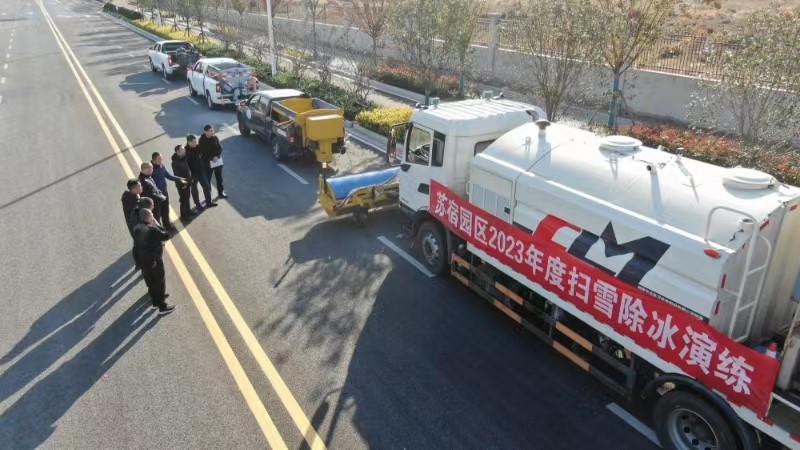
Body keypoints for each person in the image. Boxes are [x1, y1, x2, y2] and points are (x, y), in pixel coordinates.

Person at [133, 209, 175, 315]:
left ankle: (155, 301)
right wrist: (157, 224)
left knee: (150, 281)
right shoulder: (152, 229)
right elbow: (166, 235)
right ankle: (162, 306)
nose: (153, 216)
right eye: (152, 215)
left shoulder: (137, 228)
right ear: (149, 217)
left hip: (143, 260)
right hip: (154, 260)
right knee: (159, 281)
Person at [151, 152, 186, 231]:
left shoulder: (162, 166)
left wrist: (179, 179)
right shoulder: (151, 170)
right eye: (159, 159)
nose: (161, 160)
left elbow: (169, 176)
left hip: (164, 193)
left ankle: (167, 226)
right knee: (157, 214)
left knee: (165, 210)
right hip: (157, 196)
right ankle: (159, 230)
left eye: (161, 158)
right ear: (153, 160)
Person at [186, 134, 216, 209]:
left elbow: (205, 154)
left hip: (201, 171)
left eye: (196, 141)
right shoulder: (185, 151)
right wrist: (189, 175)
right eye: (194, 142)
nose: (196, 143)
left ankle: (209, 202)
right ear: (189, 142)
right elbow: (185, 165)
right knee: (194, 190)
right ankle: (197, 204)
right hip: (193, 174)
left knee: (206, 186)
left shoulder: (198, 147)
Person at [199, 124, 227, 199]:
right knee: (208, 179)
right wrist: (212, 158)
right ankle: (209, 195)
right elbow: (203, 152)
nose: (213, 132)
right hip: (207, 163)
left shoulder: (215, 137)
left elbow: (220, 148)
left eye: (213, 130)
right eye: (211, 131)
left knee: (219, 178)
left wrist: (217, 156)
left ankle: (221, 192)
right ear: (206, 132)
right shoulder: (202, 140)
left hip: (217, 162)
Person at [138, 162, 168, 226]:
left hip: (155, 203)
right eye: (151, 168)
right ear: (146, 169)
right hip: (151, 204)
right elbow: (151, 194)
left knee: (158, 217)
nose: (152, 170)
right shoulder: (144, 181)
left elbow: (155, 188)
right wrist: (161, 197)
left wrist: (160, 193)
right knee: (155, 219)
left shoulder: (148, 177)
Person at [122, 179, 142, 267]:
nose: (141, 187)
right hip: (135, 224)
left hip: (133, 223)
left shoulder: (129, 195)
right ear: (134, 188)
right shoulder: (133, 199)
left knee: (138, 243)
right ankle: (139, 264)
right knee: (138, 243)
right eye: (139, 186)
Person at [171, 144, 194, 221]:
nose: (184, 150)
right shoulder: (175, 162)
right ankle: (184, 216)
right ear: (178, 152)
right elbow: (178, 175)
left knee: (187, 198)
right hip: (182, 184)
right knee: (183, 200)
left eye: (184, 149)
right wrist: (183, 184)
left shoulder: (184, 158)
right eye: (182, 150)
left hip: (187, 182)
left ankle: (188, 211)